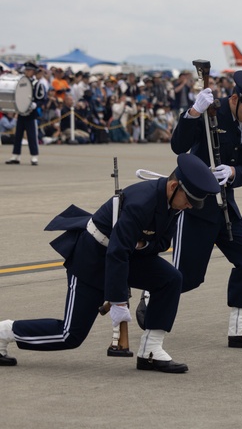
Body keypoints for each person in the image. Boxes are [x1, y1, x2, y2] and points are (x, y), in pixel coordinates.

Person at [0, 154, 219, 373]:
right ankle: (4, 332)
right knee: (70, 335)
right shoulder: (141, 203)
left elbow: (161, 244)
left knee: (171, 279)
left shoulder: (175, 204)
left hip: (127, 257)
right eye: (189, 200)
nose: (190, 206)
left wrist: (141, 244)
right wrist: (118, 301)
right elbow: (117, 252)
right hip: (92, 258)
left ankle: (151, 351)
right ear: (173, 186)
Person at [165, 70, 242, 348]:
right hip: (194, 203)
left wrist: (233, 172)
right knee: (187, 276)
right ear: (235, 99)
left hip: (226, 204)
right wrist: (193, 113)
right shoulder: (210, 115)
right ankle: (151, 295)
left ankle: (240, 328)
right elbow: (178, 146)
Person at [5, 61, 47, 166]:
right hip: (21, 112)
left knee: (32, 136)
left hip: (31, 114)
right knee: (18, 135)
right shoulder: (21, 83)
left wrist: (35, 105)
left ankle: (34, 156)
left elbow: (42, 99)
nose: (27, 72)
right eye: (26, 70)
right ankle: (16, 155)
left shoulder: (37, 84)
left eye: (29, 70)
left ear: (33, 72)